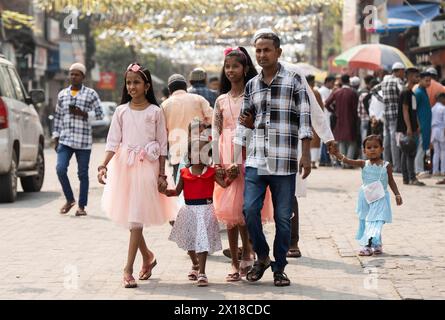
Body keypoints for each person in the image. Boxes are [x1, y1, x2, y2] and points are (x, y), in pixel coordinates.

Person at [234, 28, 312, 287]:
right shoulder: (251, 85)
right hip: (256, 160)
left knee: (282, 217)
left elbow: (304, 119)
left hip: (285, 160)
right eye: (258, 50)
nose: (262, 54)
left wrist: (307, 154)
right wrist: (234, 158)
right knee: (250, 210)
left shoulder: (294, 81)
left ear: (279, 52)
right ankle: (263, 256)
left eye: (267, 49)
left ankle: (280, 267)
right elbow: (243, 123)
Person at [97, 63, 176, 288]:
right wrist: (103, 165)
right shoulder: (121, 111)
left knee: (136, 220)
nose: (132, 86)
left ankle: (128, 269)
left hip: (148, 169)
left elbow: (162, 146)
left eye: (136, 82)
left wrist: (162, 173)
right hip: (125, 168)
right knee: (134, 219)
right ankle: (148, 256)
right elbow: (113, 142)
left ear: (146, 86)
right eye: (129, 82)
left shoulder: (155, 111)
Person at [213, 46, 273, 281]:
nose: (230, 71)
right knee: (228, 213)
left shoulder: (252, 97)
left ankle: (248, 253)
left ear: (245, 68)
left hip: (248, 154)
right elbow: (215, 131)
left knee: (245, 210)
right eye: (227, 67)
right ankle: (235, 262)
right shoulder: (220, 100)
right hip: (225, 154)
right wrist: (217, 164)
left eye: (235, 66)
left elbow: (256, 127)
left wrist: (240, 159)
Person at [165, 136, 234, 287]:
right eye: (197, 151)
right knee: (190, 241)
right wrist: (165, 191)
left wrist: (231, 178)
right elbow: (176, 191)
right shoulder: (183, 172)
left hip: (206, 211)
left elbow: (224, 185)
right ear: (189, 155)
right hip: (188, 210)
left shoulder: (211, 172)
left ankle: (202, 272)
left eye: (204, 152)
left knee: (202, 241)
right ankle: (195, 264)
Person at [333, 135, 403, 256]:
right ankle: (375, 244)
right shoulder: (363, 163)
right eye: (369, 147)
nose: (372, 149)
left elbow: (391, 181)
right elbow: (347, 161)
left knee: (375, 221)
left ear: (382, 149)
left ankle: (368, 245)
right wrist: (337, 154)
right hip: (366, 198)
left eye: (375, 147)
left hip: (381, 198)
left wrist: (397, 194)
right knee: (367, 221)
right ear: (364, 151)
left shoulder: (387, 165)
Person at [52, 62, 104, 216]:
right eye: (71, 74)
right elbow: (58, 117)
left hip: (83, 141)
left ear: (83, 77)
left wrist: (85, 114)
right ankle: (69, 199)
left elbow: (101, 114)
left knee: (83, 174)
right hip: (65, 139)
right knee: (60, 169)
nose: (73, 76)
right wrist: (55, 137)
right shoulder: (62, 94)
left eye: (77, 74)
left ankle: (81, 206)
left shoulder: (91, 94)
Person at [162, 74, 213, 182]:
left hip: (177, 154)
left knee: (180, 190)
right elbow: (212, 118)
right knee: (202, 188)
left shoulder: (164, 105)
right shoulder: (198, 99)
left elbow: (162, 132)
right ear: (185, 87)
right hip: (199, 153)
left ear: (169, 90)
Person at [396, 68, 425, 186]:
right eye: (415, 76)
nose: (417, 78)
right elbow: (405, 110)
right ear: (408, 77)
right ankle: (411, 177)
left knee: (405, 152)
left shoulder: (412, 92)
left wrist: (417, 125)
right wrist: (408, 127)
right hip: (406, 127)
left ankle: (406, 178)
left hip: (411, 126)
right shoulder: (405, 92)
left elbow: (414, 111)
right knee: (410, 152)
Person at [325, 74, 359, 168]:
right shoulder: (353, 93)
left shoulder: (337, 92)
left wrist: (334, 112)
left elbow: (327, 103)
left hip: (339, 119)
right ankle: (348, 163)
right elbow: (356, 108)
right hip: (351, 119)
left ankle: (344, 162)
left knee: (341, 141)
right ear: (349, 81)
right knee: (352, 142)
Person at [381, 62, 405, 173]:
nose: (404, 73)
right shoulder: (397, 81)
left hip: (385, 113)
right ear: (398, 71)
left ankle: (386, 165)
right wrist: (397, 101)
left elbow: (373, 90)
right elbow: (403, 92)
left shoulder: (384, 81)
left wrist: (384, 101)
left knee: (386, 139)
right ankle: (396, 166)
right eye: (403, 71)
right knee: (394, 140)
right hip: (395, 113)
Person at [414, 72, 432, 179]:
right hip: (421, 124)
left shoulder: (424, 91)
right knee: (420, 147)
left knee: (423, 146)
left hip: (426, 123)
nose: (428, 83)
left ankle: (420, 169)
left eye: (429, 80)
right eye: (426, 80)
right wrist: (418, 124)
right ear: (420, 79)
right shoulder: (418, 92)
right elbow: (414, 111)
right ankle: (418, 170)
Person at [306, 74, 324, 169]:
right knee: (315, 140)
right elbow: (321, 107)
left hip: (304, 119)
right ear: (312, 82)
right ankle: (313, 161)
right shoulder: (316, 92)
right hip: (315, 119)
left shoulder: (302, 90)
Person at [431, 93, 445, 178]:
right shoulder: (443, 108)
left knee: (436, 152)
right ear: (442, 99)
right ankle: (443, 171)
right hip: (441, 130)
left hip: (433, 131)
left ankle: (435, 171)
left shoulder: (432, 108)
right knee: (443, 151)